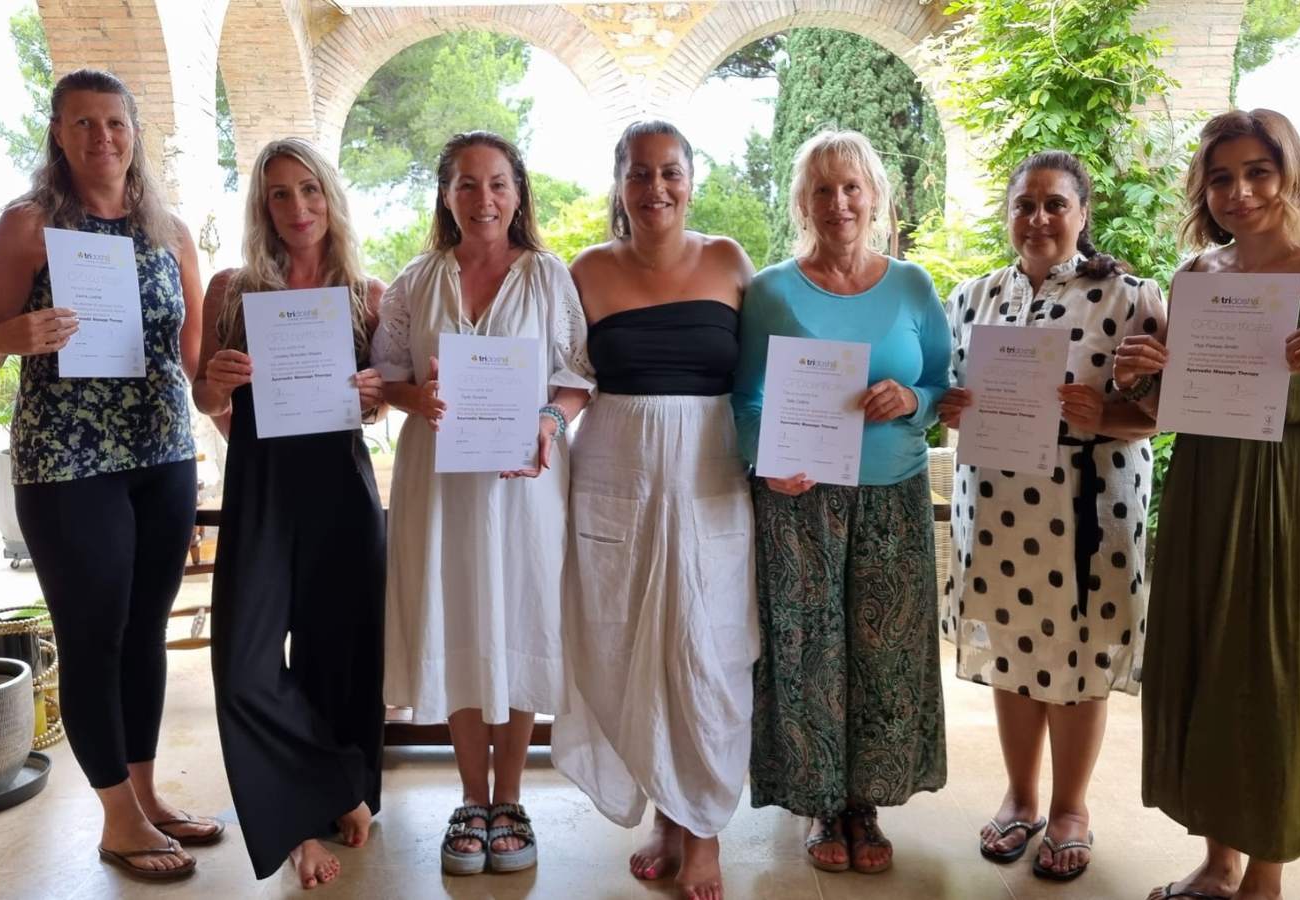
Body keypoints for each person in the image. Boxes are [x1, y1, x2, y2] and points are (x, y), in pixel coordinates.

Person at [1115, 109, 1300, 900]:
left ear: (1290, 173)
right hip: (1207, 483)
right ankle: (1218, 865)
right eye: (1221, 178)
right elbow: (1173, 409)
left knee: (1282, 670)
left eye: (1258, 172)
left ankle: (1265, 878)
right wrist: (1138, 376)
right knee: (1206, 662)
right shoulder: (1197, 276)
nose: (1239, 192)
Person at [0, 69, 214, 881]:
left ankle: (146, 794)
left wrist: (248, 402)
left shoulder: (171, 232)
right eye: (83, 123)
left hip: (162, 455)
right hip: (67, 462)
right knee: (93, 636)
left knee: (145, 633)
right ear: (59, 135)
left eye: (115, 122)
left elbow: (195, 363)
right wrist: (14, 334)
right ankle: (116, 819)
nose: (102, 137)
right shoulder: (29, 226)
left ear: (134, 133)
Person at [936, 150, 1164, 882]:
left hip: (1090, 499)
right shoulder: (971, 297)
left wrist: (1107, 414)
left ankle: (1070, 809)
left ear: (1083, 213)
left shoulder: (1133, 297)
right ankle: (1020, 796)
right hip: (995, 499)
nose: (1037, 218)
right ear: (1008, 214)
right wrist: (949, 406)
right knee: (1010, 643)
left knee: (1080, 652)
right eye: (1024, 204)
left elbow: (1166, 412)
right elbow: (944, 391)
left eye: (1055, 204)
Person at [732, 129, 950, 876]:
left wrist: (912, 398)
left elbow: (943, 386)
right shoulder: (771, 291)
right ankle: (823, 801)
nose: (839, 202)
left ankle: (866, 803)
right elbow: (746, 398)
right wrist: (767, 462)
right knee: (808, 651)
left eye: (852, 186)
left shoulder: (913, 286)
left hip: (894, 496)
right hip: (801, 500)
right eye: (822, 189)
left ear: (876, 196)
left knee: (887, 654)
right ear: (803, 202)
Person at [374, 131, 592, 877]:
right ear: (445, 196)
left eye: (497, 183)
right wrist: (417, 397)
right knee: (457, 617)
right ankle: (471, 798)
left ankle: (511, 798)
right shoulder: (414, 281)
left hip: (524, 482)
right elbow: (386, 376)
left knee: (520, 613)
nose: (483, 198)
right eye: (466, 184)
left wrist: (549, 420)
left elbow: (576, 377)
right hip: (439, 485)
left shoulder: (549, 275)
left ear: (518, 193)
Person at [552, 120, 757, 900]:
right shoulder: (587, 270)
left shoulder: (729, 260)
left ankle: (703, 830)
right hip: (615, 479)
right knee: (625, 645)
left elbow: (768, 375)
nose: (656, 187)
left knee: (708, 649)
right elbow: (567, 377)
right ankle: (666, 812)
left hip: (711, 479)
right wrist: (531, 420)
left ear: (691, 181)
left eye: (670, 171)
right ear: (620, 184)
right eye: (639, 172)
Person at [191, 138, 387, 889]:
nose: (297, 206)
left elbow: (377, 407)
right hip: (261, 488)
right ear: (262, 206)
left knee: (342, 657)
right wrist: (217, 382)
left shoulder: (367, 294)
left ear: (329, 196)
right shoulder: (231, 289)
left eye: (309, 189)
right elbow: (207, 399)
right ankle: (324, 790)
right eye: (279, 193)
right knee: (242, 667)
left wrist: (374, 396)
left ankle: (332, 803)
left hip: (340, 488)